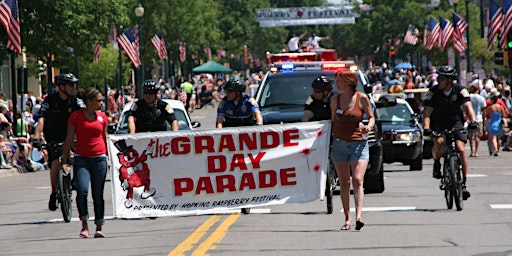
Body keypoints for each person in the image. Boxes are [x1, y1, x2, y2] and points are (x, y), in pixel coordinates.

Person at [422, 65, 477, 201]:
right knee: (440, 142)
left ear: (449, 80)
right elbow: (427, 112)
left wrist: (473, 121)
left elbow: (468, 106)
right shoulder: (433, 92)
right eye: (438, 78)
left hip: (455, 122)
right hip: (438, 123)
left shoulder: (460, 91)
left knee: (461, 149)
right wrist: (427, 128)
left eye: (441, 78)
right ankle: (436, 162)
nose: (438, 81)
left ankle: (463, 183)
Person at [330, 70, 374, 231]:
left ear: (348, 82)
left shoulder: (362, 98)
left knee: (357, 179)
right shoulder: (335, 100)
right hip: (340, 143)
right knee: (344, 182)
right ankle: (347, 218)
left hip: (358, 144)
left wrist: (368, 126)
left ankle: (359, 216)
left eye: (339, 81)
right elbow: (333, 121)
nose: (336, 84)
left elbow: (371, 116)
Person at [61, 87, 108, 238]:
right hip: (82, 159)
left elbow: (105, 138)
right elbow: (69, 139)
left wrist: (109, 157)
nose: (101, 103)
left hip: (99, 158)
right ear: (89, 102)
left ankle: (99, 226)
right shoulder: (76, 117)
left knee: (98, 193)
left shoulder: (102, 117)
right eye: (99, 100)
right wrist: (64, 160)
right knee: (82, 190)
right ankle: (84, 224)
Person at [32, 73, 82, 211]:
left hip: (71, 136)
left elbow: (84, 117)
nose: (73, 87)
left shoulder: (75, 101)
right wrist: (36, 137)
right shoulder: (50, 100)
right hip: (53, 136)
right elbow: (41, 119)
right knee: (55, 164)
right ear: (61, 87)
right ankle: (54, 193)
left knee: (79, 157)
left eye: (74, 85)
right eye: (71, 85)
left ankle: (75, 180)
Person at [216, 79, 263, 214]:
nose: (227, 94)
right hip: (230, 138)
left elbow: (258, 116)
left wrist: (259, 127)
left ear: (237, 93)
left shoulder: (249, 101)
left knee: (249, 165)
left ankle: (249, 193)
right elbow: (219, 121)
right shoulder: (224, 103)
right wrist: (218, 133)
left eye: (230, 92)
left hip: (247, 138)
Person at [485, 90, 508, 156]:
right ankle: (498, 150)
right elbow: (504, 115)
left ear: (492, 101)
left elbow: (486, 114)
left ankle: (496, 150)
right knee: (498, 139)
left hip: (492, 123)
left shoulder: (491, 107)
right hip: (499, 123)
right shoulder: (500, 107)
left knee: (493, 138)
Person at [468, 85, 487, 157]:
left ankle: (471, 151)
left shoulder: (469, 97)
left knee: (470, 136)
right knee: (477, 136)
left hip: (470, 118)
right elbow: (484, 110)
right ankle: (476, 152)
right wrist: (484, 119)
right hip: (478, 118)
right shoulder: (481, 98)